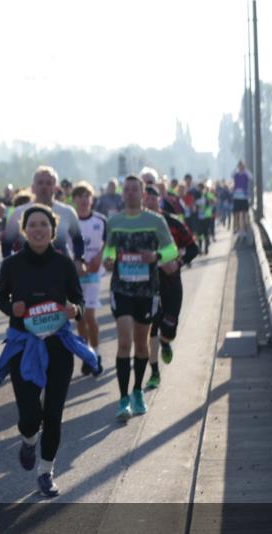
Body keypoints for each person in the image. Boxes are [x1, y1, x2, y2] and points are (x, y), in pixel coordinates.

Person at [0, 206, 98, 496]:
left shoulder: (64, 264)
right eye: (33, 225)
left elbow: (78, 301)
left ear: (53, 231)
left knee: (53, 414)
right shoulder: (12, 265)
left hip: (57, 345)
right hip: (23, 346)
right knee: (30, 417)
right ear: (25, 230)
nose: (39, 229)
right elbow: (1, 297)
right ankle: (28, 440)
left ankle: (46, 472)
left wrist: (74, 309)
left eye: (44, 224)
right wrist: (9, 308)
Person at [102, 175, 179, 422]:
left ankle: (137, 391)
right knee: (124, 342)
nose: (131, 193)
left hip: (147, 291)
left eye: (136, 190)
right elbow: (109, 250)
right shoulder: (114, 222)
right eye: (128, 190)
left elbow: (172, 250)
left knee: (142, 343)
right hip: (122, 289)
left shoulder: (155, 221)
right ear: (123, 194)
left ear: (143, 194)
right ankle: (123, 398)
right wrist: (109, 260)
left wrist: (155, 256)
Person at [144, 193, 199, 390]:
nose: (149, 203)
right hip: (148, 285)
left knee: (169, 327)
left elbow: (193, 248)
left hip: (172, 283)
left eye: (153, 199)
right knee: (152, 326)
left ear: (158, 202)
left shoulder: (173, 223)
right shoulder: (138, 225)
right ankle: (154, 372)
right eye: (146, 199)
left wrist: (177, 264)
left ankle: (166, 343)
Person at [71, 181, 106, 375]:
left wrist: (98, 259)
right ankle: (86, 355)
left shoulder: (100, 220)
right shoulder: (70, 221)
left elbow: (108, 243)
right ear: (74, 200)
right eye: (80, 197)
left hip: (93, 273)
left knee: (89, 316)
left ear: (91, 199)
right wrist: (76, 264)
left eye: (87, 197)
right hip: (75, 275)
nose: (84, 200)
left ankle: (96, 355)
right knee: (79, 318)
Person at [232, 160, 253, 246]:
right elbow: (232, 174)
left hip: (244, 197)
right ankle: (239, 231)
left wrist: (245, 169)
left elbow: (251, 177)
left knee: (243, 215)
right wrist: (237, 168)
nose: (240, 167)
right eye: (239, 166)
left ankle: (244, 232)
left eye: (242, 166)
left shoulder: (246, 174)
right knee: (237, 215)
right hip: (236, 197)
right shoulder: (236, 174)